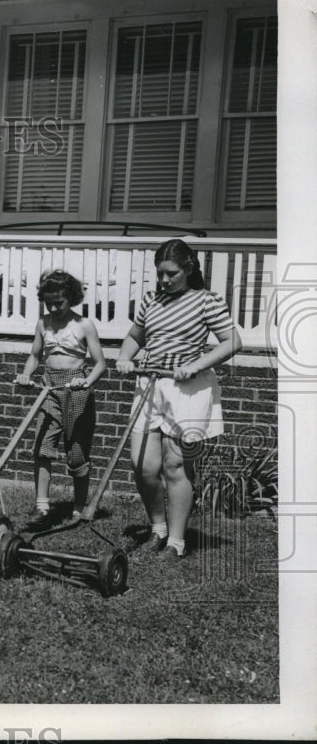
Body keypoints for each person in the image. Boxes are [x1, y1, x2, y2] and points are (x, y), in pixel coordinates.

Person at [116, 239, 240, 562]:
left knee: (175, 464)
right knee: (142, 463)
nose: (164, 280)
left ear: (188, 269)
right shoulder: (151, 301)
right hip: (151, 382)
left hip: (186, 388)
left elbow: (232, 342)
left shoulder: (206, 301)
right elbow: (134, 337)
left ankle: (175, 541)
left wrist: (196, 365)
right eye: (160, 274)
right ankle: (157, 528)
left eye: (171, 274)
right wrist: (125, 357)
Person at [15, 270, 106, 529]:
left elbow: (100, 364)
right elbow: (35, 356)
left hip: (76, 389)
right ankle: (42, 507)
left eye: (60, 303)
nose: (54, 308)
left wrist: (85, 382)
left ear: (72, 298)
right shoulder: (43, 323)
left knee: (76, 452)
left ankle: (79, 508)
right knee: (42, 445)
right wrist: (25, 374)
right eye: (49, 303)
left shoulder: (84, 325)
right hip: (49, 387)